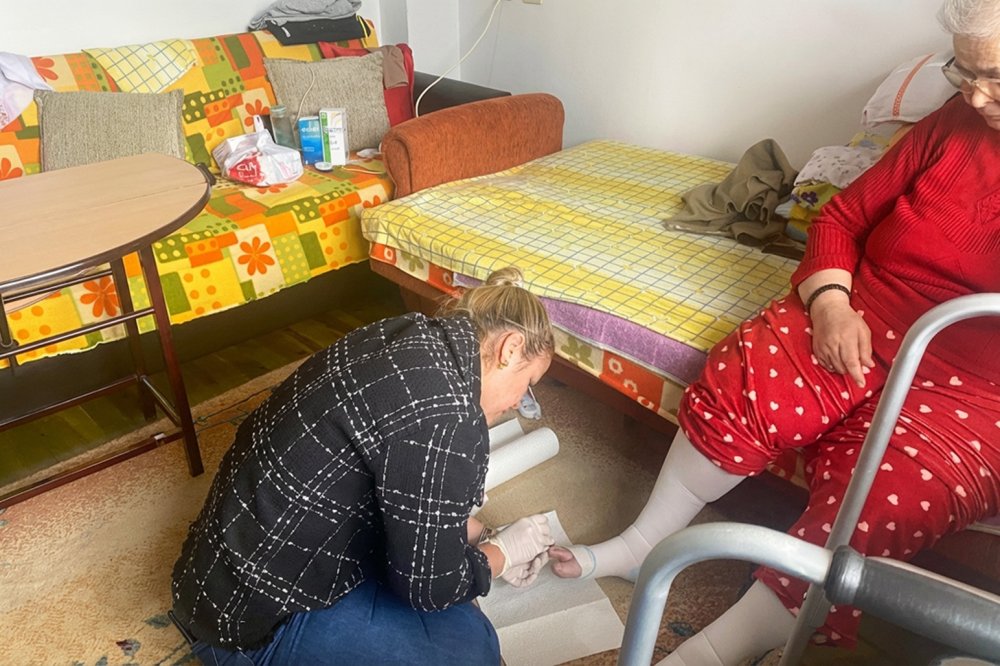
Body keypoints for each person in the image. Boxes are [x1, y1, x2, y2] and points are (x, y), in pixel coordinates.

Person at [548, 1, 1000, 662]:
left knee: (884, 503)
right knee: (749, 371)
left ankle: (721, 648)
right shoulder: (956, 120)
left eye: (994, 77)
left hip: (974, 384)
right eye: (964, 72)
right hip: (864, 312)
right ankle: (645, 543)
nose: (975, 94)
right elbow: (841, 220)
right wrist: (831, 304)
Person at [170, 266, 556, 665]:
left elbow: (404, 485)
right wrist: (501, 555)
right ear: (510, 348)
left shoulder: (413, 333)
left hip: (210, 579)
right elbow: (429, 587)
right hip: (250, 629)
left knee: (461, 615)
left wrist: (482, 535)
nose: (519, 402)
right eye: (528, 383)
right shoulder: (449, 418)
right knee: (474, 649)